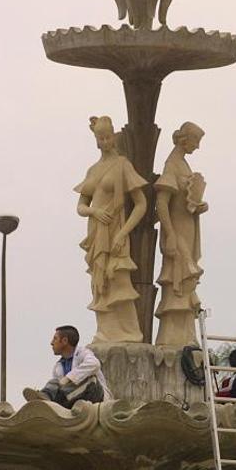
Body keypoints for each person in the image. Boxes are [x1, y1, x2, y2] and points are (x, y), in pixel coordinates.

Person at [75, 116, 148, 343]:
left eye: (108, 137)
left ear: (114, 137)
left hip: (116, 231)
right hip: (97, 232)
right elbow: (81, 206)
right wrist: (94, 212)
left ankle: (129, 332)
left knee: (118, 280)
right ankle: (105, 331)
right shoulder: (93, 170)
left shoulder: (122, 165)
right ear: (96, 140)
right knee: (100, 284)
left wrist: (123, 232)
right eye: (101, 138)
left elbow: (141, 204)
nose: (105, 141)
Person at [154, 122, 208, 346]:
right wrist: (170, 234)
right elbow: (161, 203)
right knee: (180, 277)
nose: (197, 148)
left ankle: (186, 334)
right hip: (177, 231)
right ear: (185, 140)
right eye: (196, 142)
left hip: (188, 228)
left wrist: (198, 205)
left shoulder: (183, 164)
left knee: (188, 279)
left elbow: (185, 200)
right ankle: (172, 336)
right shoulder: (172, 164)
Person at [23, 325, 112, 408]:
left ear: (65, 341)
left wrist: (68, 378)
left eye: (55, 339)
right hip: (72, 397)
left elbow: (94, 364)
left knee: (90, 381)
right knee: (54, 382)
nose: (51, 343)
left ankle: (51, 401)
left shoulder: (82, 353)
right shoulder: (58, 367)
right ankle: (45, 398)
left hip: (95, 395)